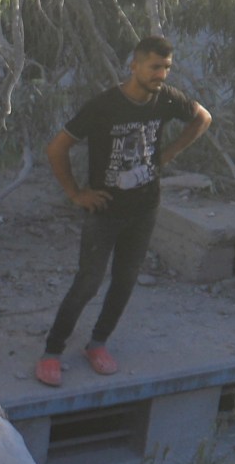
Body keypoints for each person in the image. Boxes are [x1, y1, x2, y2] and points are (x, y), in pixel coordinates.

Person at [36, 36, 210, 386]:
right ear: (134, 65)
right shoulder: (104, 106)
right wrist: (75, 193)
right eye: (154, 67)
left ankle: (97, 344)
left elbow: (203, 118)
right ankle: (52, 351)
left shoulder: (166, 99)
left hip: (145, 207)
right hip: (105, 211)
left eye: (166, 68)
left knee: (126, 280)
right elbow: (57, 148)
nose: (161, 74)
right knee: (88, 282)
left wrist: (169, 154)